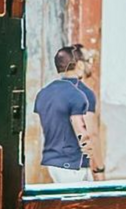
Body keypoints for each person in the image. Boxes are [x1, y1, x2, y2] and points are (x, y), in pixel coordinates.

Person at [34, 43, 99, 184]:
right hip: (75, 165)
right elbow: (89, 133)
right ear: (80, 65)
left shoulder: (45, 93)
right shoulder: (84, 93)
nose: (91, 65)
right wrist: (99, 167)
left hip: (53, 163)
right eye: (88, 60)